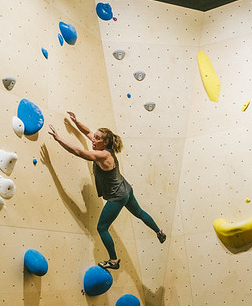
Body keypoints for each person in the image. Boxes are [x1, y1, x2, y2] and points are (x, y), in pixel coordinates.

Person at [47, 112, 166, 269]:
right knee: (140, 213)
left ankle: (114, 261)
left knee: (102, 227)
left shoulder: (103, 155)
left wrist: (59, 139)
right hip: (126, 189)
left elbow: (78, 152)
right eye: (94, 137)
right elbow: (88, 131)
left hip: (117, 196)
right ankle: (159, 232)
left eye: (97, 139)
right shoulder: (104, 148)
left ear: (105, 143)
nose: (93, 140)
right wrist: (76, 121)